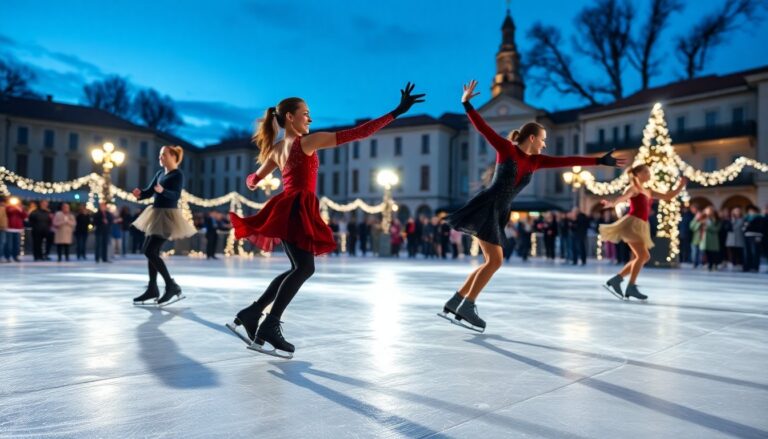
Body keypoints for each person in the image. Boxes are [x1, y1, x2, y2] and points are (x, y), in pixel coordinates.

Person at [226, 83, 424, 358]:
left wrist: (254, 181)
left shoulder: (276, 149)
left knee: (299, 267)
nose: (310, 118)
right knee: (304, 268)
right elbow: (358, 133)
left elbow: (253, 180)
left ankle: (253, 312)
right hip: (298, 208)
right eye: (305, 113)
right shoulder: (307, 142)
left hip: (286, 208)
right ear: (290, 118)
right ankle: (269, 325)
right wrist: (395, 112)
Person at [441, 80, 625, 331]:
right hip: (487, 206)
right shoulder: (507, 149)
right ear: (532, 138)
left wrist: (599, 160)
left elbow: (566, 160)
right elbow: (483, 128)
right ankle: (467, 305)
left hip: (500, 212)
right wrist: (466, 104)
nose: (545, 144)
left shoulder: (536, 161)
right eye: (543, 139)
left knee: (490, 261)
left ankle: (456, 301)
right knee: (494, 261)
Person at [601, 165, 686, 300]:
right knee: (643, 256)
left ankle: (618, 280)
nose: (649, 174)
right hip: (632, 224)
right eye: (646, 172)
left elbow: (668, 196)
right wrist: (612, 203)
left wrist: (680, 186)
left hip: (641, 225)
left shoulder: (649, 191)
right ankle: (630, 286)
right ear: (638, 174)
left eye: (649, 172)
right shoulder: (633, 188)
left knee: (643, 256)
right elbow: (624, 197)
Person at [131, 145, 197, 306]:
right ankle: (152, 288)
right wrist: (140, 194)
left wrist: (163, 191)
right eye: (160, 155)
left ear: (173, 157)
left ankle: (171, 285)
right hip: (155, 214)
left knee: (149, 251)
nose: (160, 158)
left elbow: (176, 195)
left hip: (168, 217)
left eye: (164, 155)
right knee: (150, 251)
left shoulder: (177, 175)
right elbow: (149, 191)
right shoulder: (159, 173)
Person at [4, 198, 26, 262]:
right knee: (9, 244)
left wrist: (20, 209)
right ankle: (7, 257)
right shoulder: (7, 207)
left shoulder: (20, 208)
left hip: (18, 229)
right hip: (9, 228)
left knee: (17, 244)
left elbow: (25, 216)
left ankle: (15, 256)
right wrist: (13, 207)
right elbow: (8, 213)